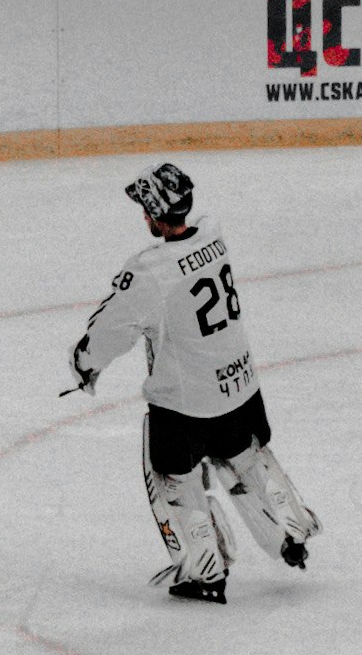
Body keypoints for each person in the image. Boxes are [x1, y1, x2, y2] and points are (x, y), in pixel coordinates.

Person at [68, 161, 319, 606]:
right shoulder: (213, 234)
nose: (143, 217)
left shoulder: (150, 271)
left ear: (154, 213)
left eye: (145, 209)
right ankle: (289, 529)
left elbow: (110, 329)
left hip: (186, 404)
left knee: (171, 474)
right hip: (241, 385)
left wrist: (84, 363)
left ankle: (205, 569)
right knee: (243, 454)